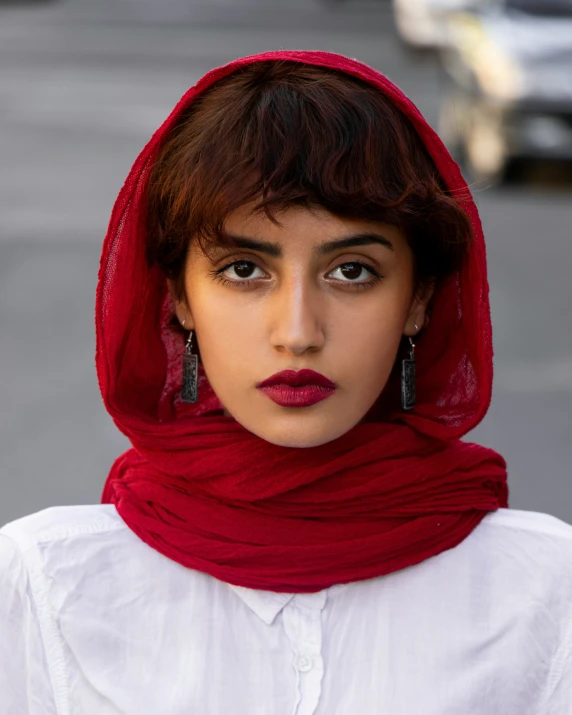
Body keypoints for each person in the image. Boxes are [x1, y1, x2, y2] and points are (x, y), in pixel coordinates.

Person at [1, 50, 571, 714]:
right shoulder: (45, 584)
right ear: (178, 297)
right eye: (244, 269)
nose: (298, 331)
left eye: (352, 271)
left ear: (419, 298)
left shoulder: (546, 593)